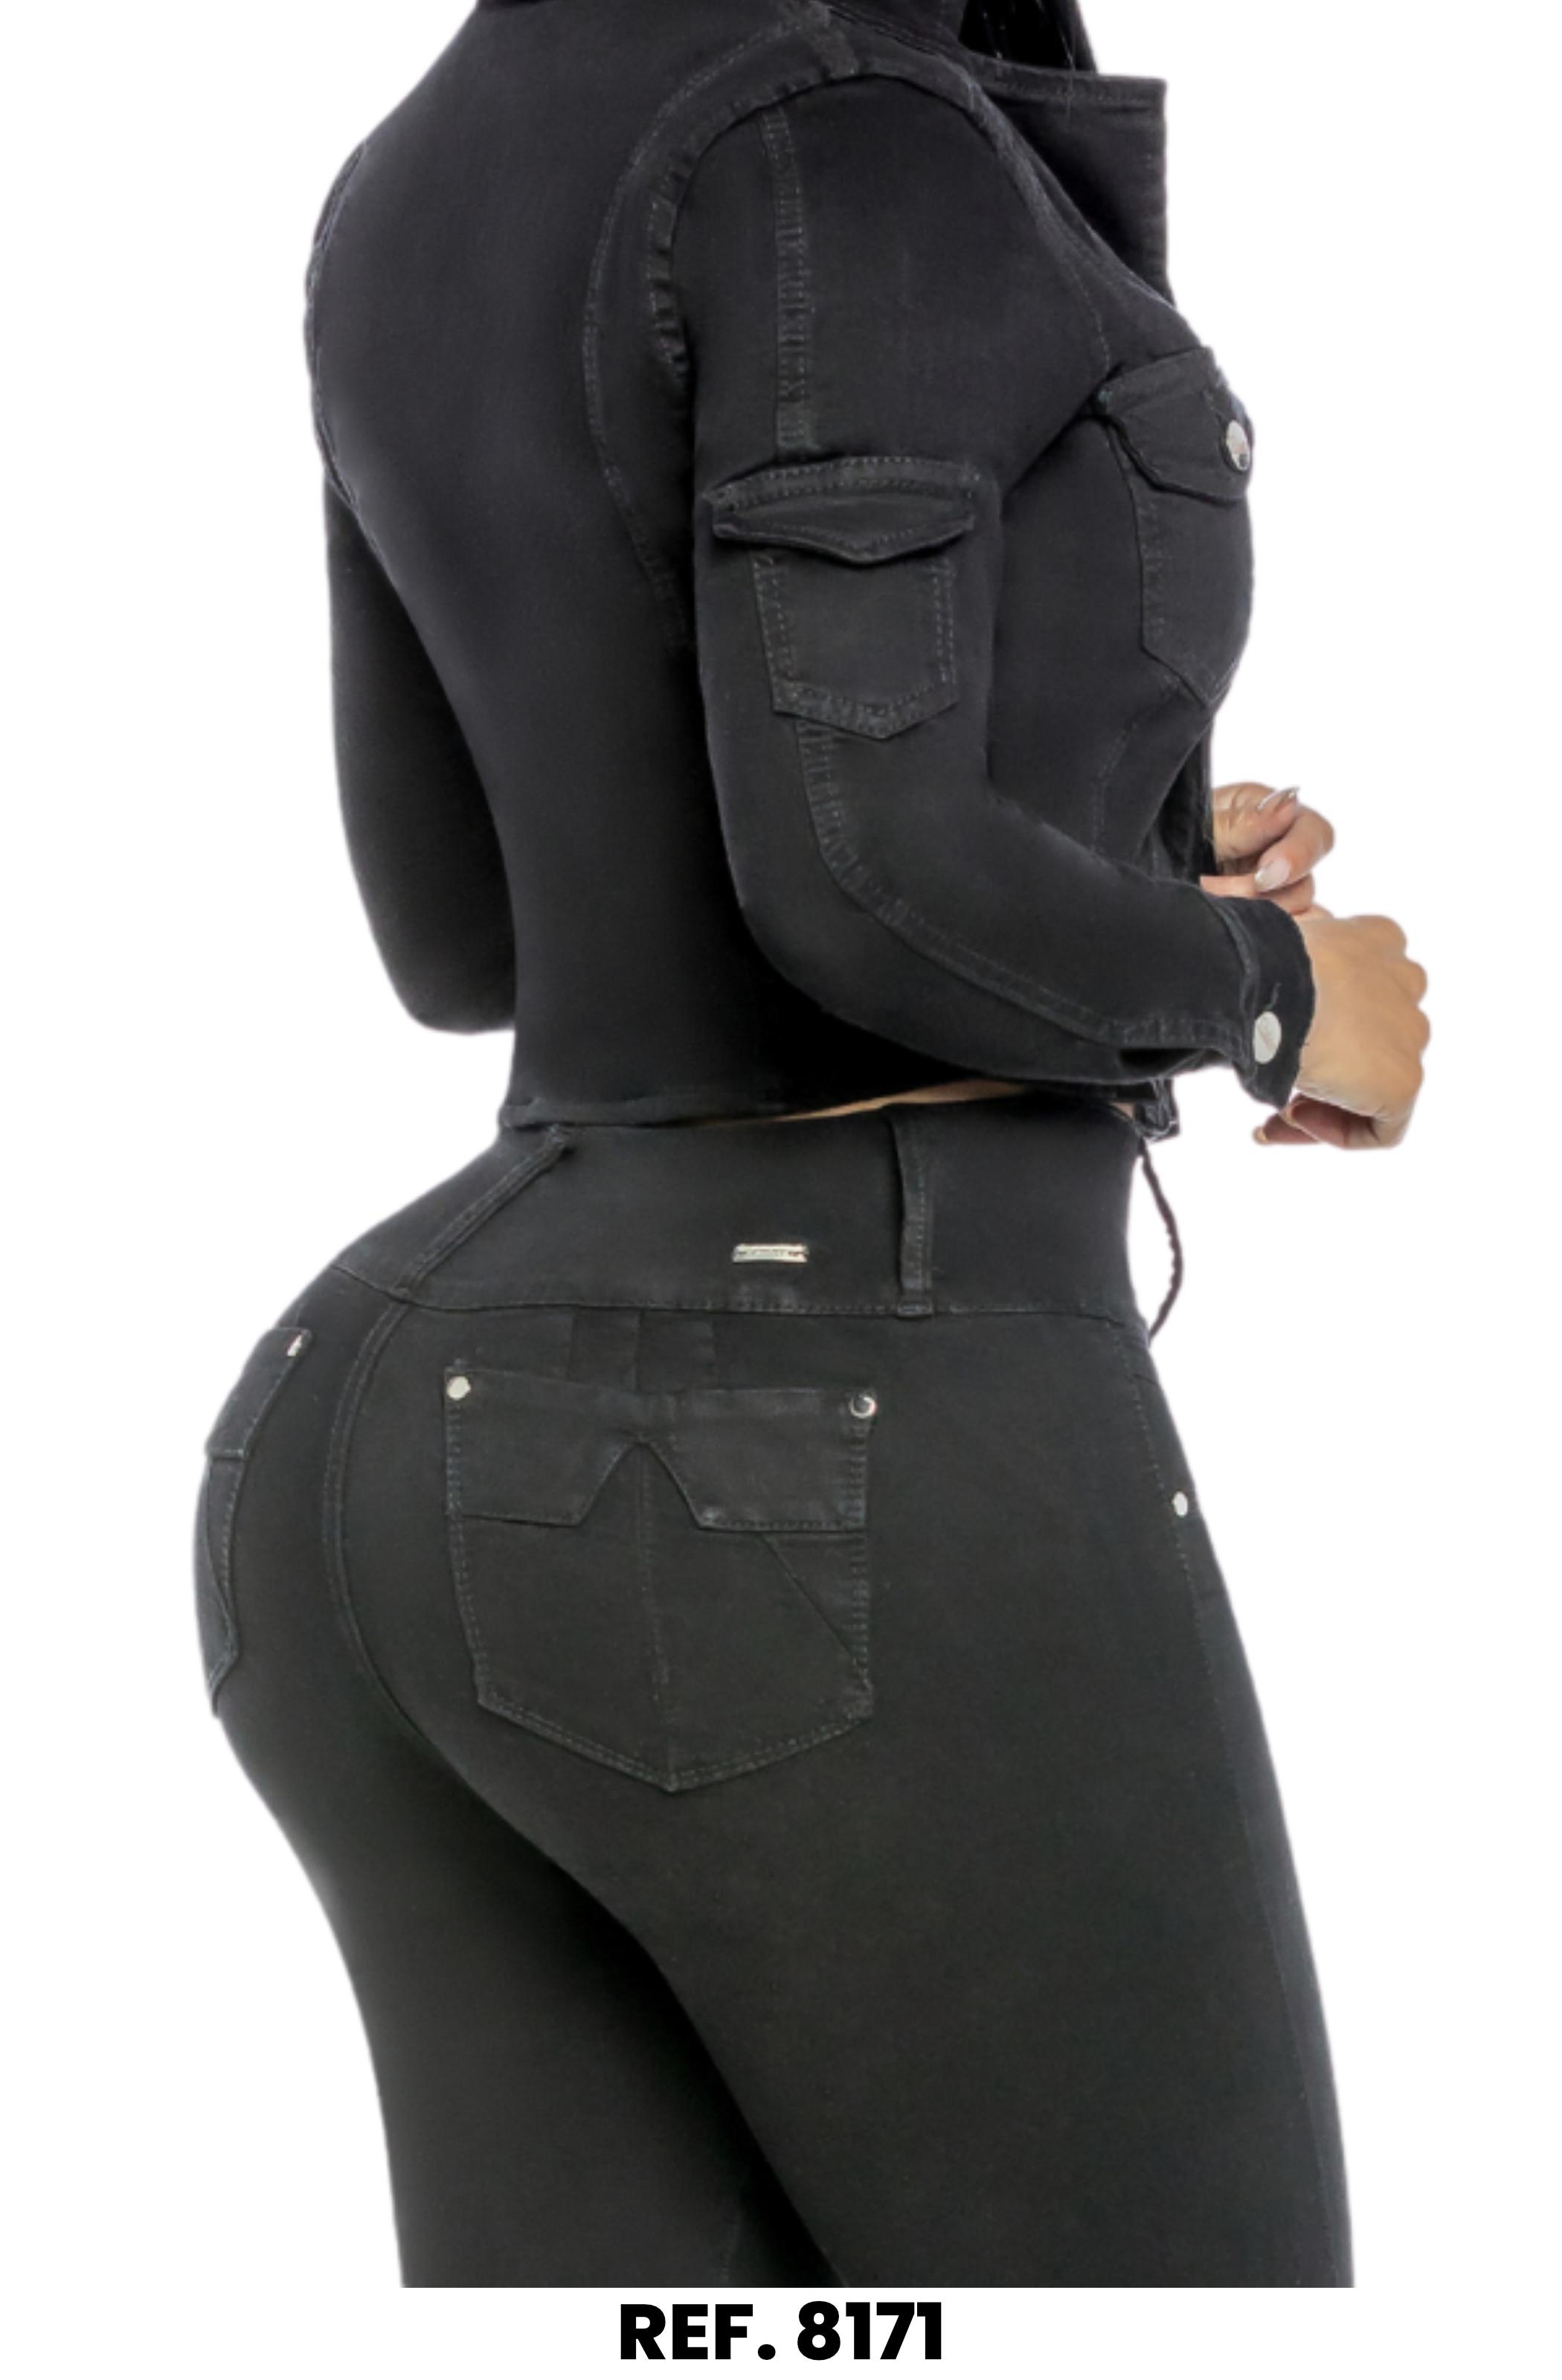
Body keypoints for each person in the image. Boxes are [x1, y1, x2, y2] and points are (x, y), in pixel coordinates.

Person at [193, 0, 1427, 2286]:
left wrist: (1094, 860)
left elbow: (467, 929)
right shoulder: (848, 116)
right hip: (811, 1430)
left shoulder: (408, 176)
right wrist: (1267, 988)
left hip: (374, 1447)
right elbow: (856, 878)